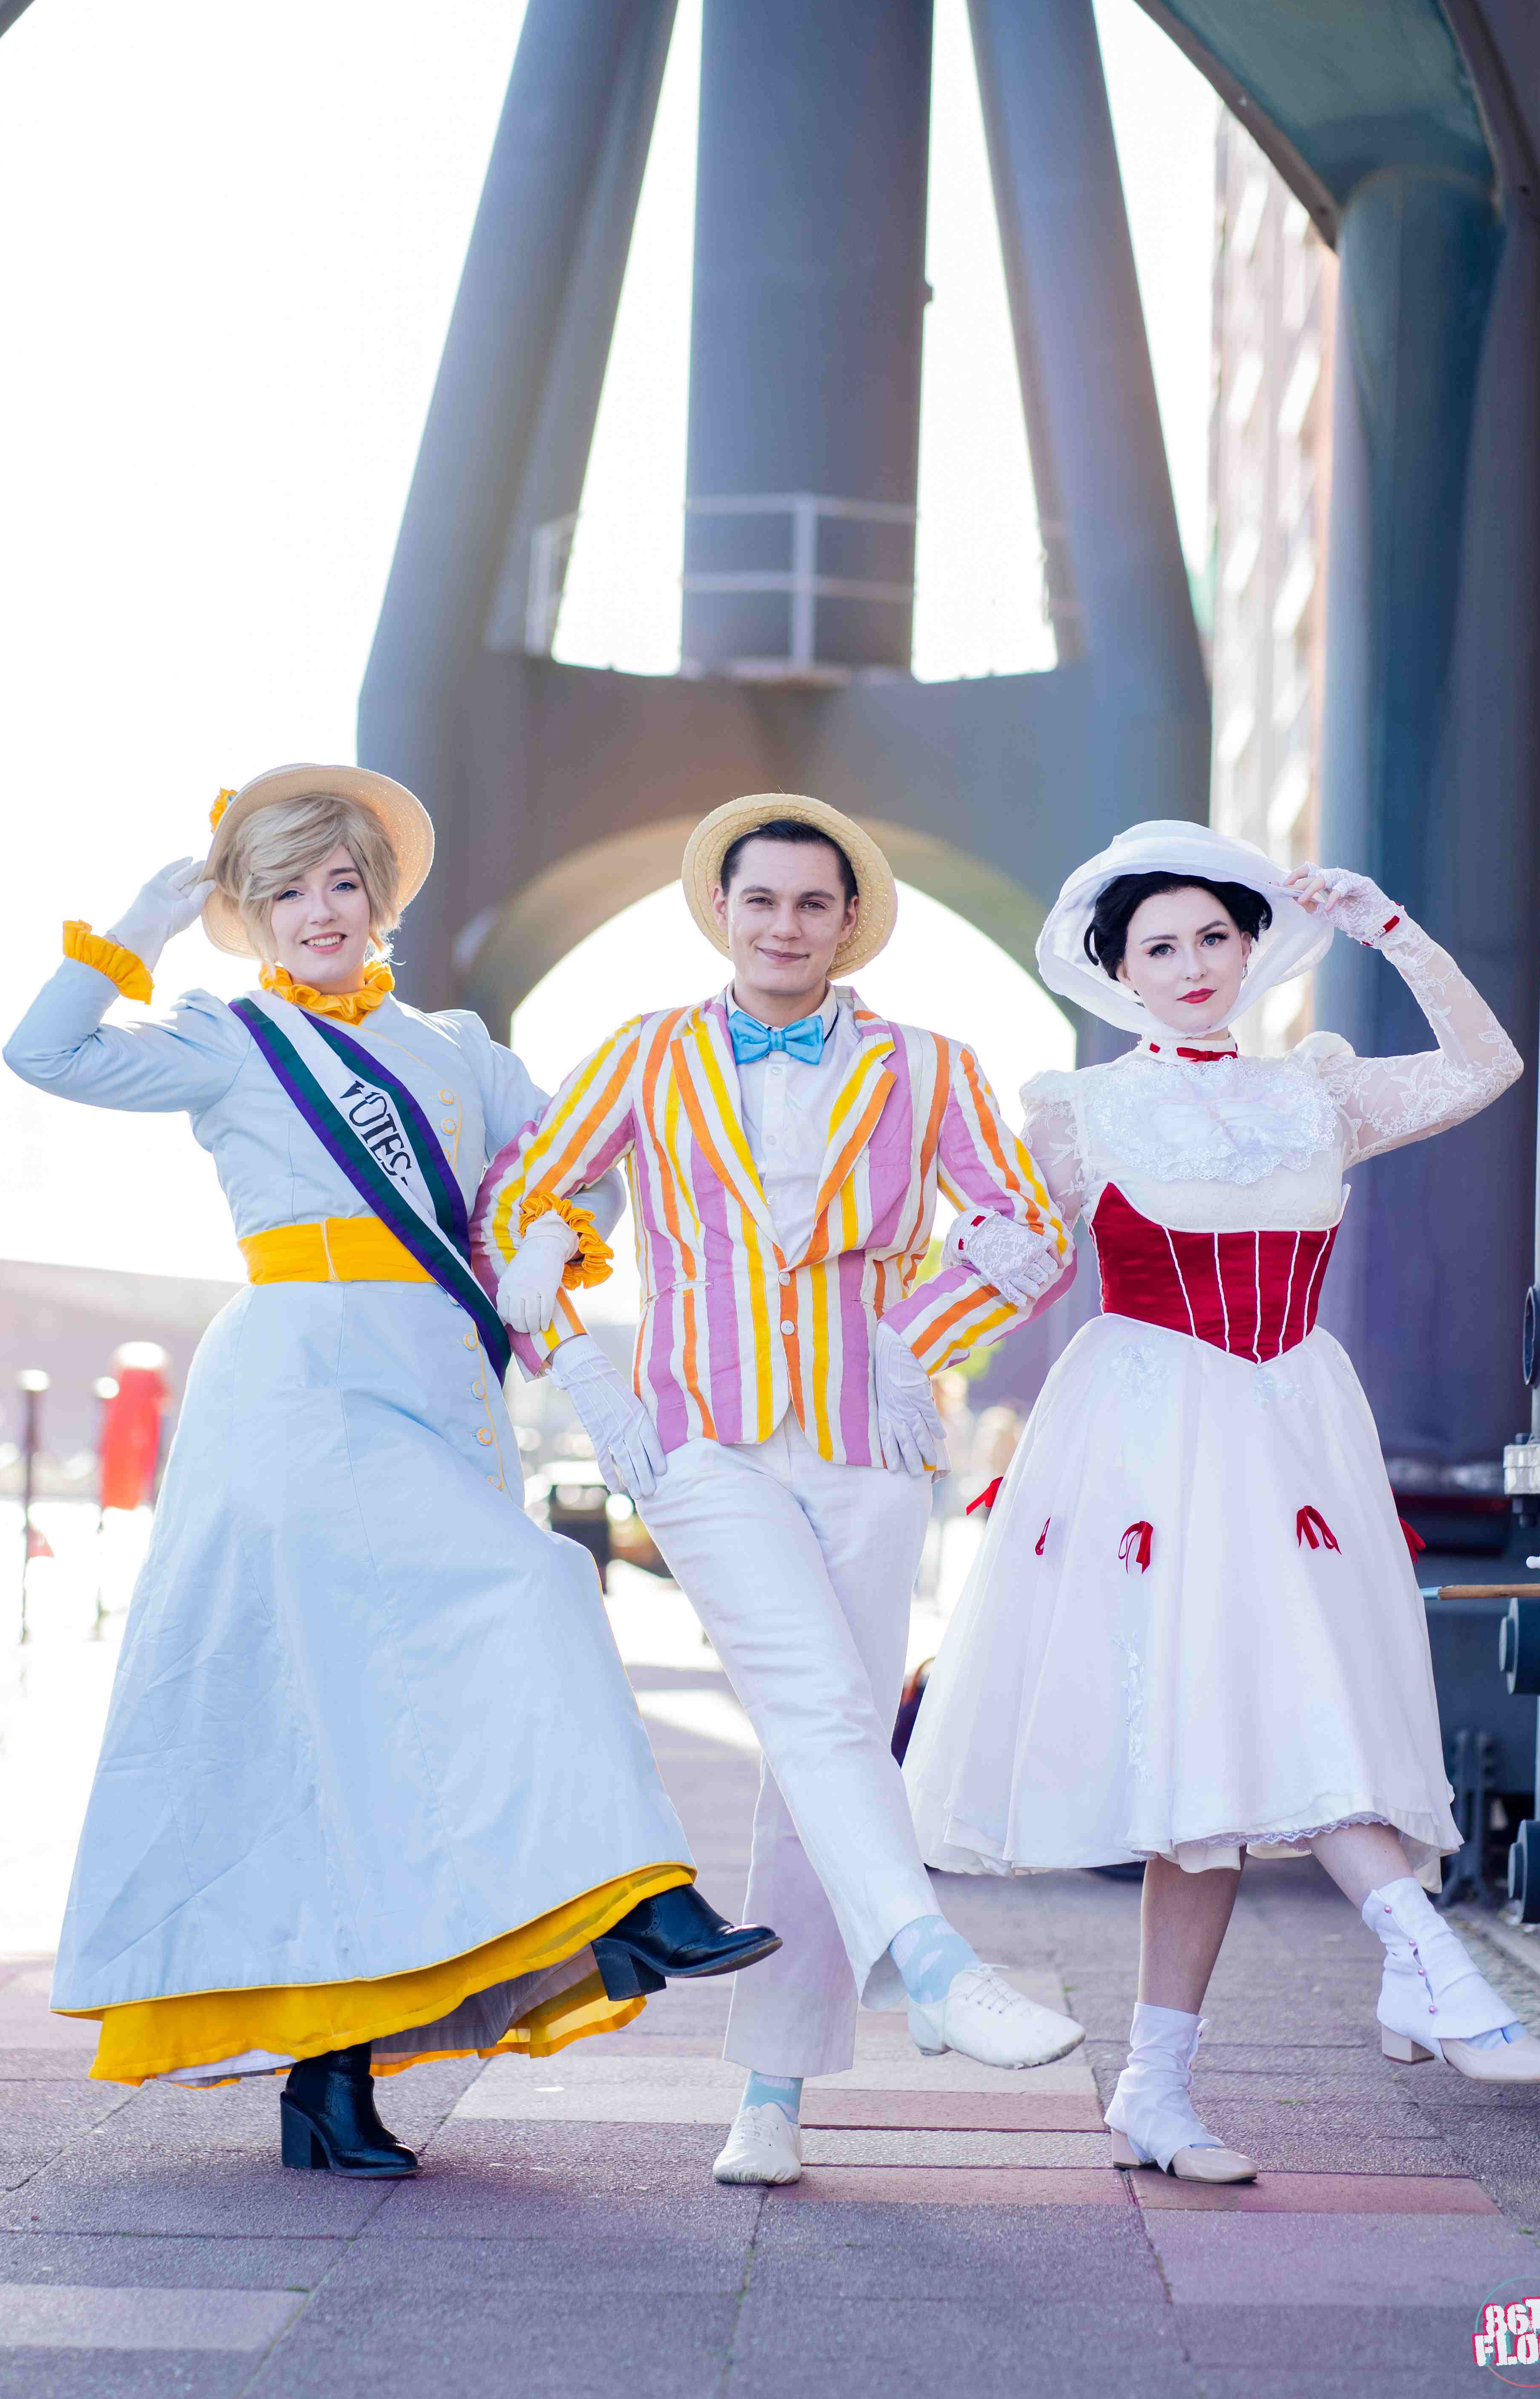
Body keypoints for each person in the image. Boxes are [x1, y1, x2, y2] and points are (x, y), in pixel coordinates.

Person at [3, 763, 774, 2179]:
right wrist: (136, 924)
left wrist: (555, 1231)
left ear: (380, 899)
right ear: (247, 912)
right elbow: (41, 1056)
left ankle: (331, 2082)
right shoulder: (224, 1037)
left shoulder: (459, 1050)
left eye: (340, 884)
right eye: (283, 889)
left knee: (346, 1734)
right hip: (297, 1393)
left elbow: (583, 1161)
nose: (317, 912)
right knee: (535, 1587)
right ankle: (638, 1895)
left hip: (438, 1385)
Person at [904, 818, 1540, 2189]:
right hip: (1154, 1437)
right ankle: (1421, 1960)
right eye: (1161, 946)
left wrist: (1395, 932)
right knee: (1201, 1770)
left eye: (1216, 935)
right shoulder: (1076, 1112)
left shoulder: (1317, 1091)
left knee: (1252, 1729)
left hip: (1295, 1431)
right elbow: (1008, 1264)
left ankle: (1188, 2073)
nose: (1194, 962)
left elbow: (1490, 1063)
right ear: (1120, 971)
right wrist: (920, 1319)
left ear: (1254, 946)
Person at [471, 795, 1085, 2190]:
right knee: (816, 1711)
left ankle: (771, 2091)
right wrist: (588, 1371)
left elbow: (1029, 1231)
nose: (787, 926)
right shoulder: (644, 1056)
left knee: (834, 1748)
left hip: (871, 1451)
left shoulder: (929, 1066)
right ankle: (931, 1959)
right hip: (699, 1443)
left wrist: (913, 1341)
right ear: (723, 911)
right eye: (763, 902)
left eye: (815, 904)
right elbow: (525, 1211)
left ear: (850, 920)